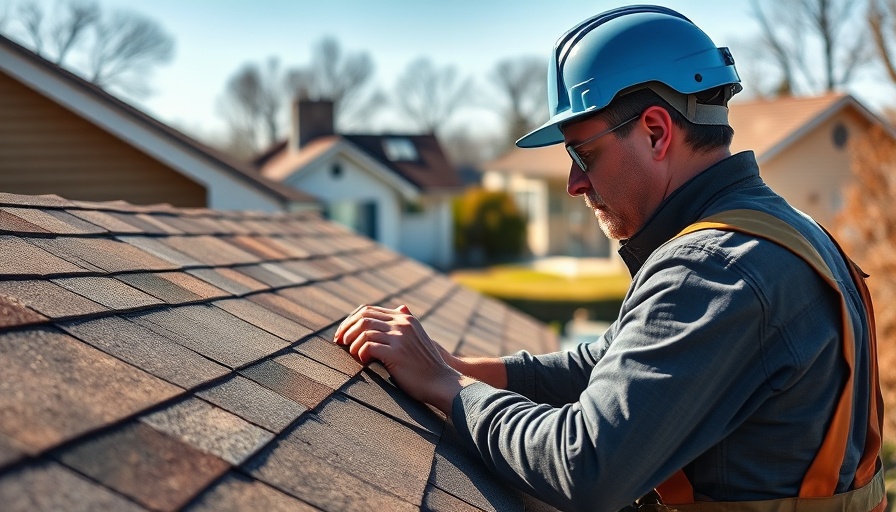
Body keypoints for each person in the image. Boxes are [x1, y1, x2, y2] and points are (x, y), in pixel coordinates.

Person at [333, 5, 884, 511]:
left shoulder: (714, 268)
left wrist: (451, 391)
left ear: (654, 131)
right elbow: (610, 361)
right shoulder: (781, 233)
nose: (574, 183)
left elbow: (586, 466)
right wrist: (454, 365)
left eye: (584, 152)